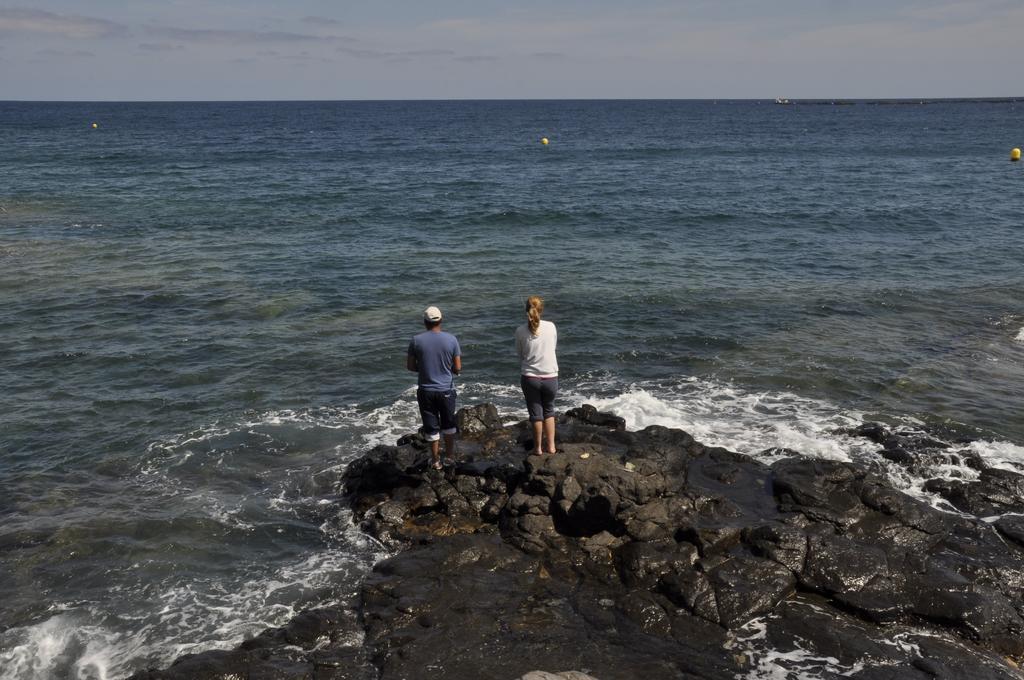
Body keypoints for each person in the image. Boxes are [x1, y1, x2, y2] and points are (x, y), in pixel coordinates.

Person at [407, 305, 462, 470]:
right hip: (446, 390)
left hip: (426, 391)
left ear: (425, 322)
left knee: (431, 427)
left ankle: (435, 460)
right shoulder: (452, 339)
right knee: (449, 425)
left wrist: (424, 369)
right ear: (441, 320)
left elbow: (410, 366)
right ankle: (450, 457)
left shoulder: (416, 340)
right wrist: (449, 369)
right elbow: (458, 367)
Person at [515, 296, 558, 455]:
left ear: (526, 310)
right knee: (549, 411)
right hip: (550, 376)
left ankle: (538, 448)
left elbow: (520, 355)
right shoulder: (551, 327)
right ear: (541, 309)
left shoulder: (520, 330)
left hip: (530, 377)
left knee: (536, 414)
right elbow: (553, 347)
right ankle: (551, 446)